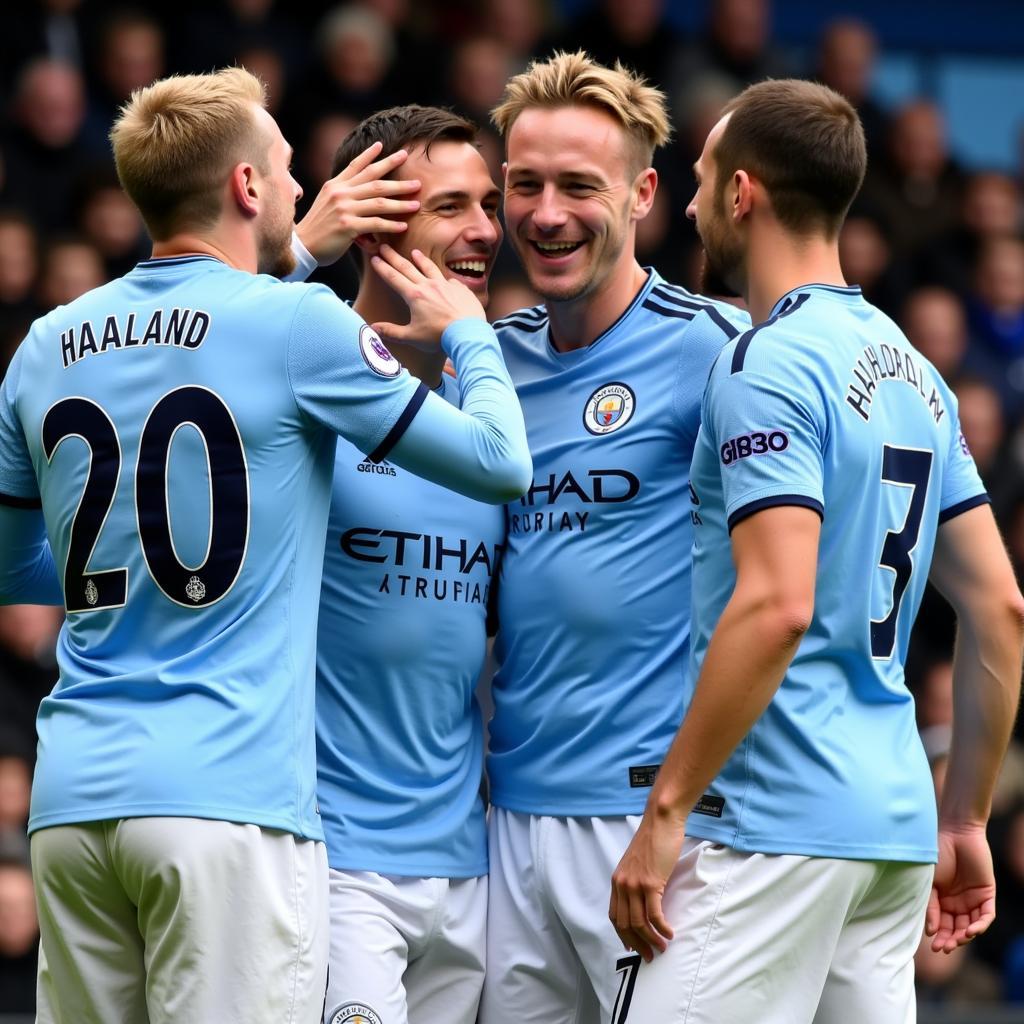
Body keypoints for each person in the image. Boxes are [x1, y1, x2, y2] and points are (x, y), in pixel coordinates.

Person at [0, 67, 530, 1024]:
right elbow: (496, 458)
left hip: (73, 801)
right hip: (226, 802)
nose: (304, 195)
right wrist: (471, 340)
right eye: (289, 171)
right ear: (246, 187)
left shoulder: (45, 343)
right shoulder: (296, 322)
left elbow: (9, 566)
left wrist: (122, 578)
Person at [610, 78, 1024, 1023]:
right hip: (890, 838)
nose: (689, 199)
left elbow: (778, 604)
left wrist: (664, 812)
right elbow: (1000, 610)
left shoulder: (766, 363)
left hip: (771, 827)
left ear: (743, 194)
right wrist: (963, 818)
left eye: (703, 175)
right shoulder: (917, 371)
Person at [478, 51, 749, 1024]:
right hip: (505, 821)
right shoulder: (485, 361)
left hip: (651, 821)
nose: (545, 212)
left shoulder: (717, 346)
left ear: (641, 193)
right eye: (524, 183)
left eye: (577, 186)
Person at [313, 105, 503, 1024]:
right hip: (333, 857)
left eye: (488, 204)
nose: (486, 231)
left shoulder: (496, 396)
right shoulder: (296, 385)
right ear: (380, 222)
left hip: (471, 863)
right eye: (454, 207)